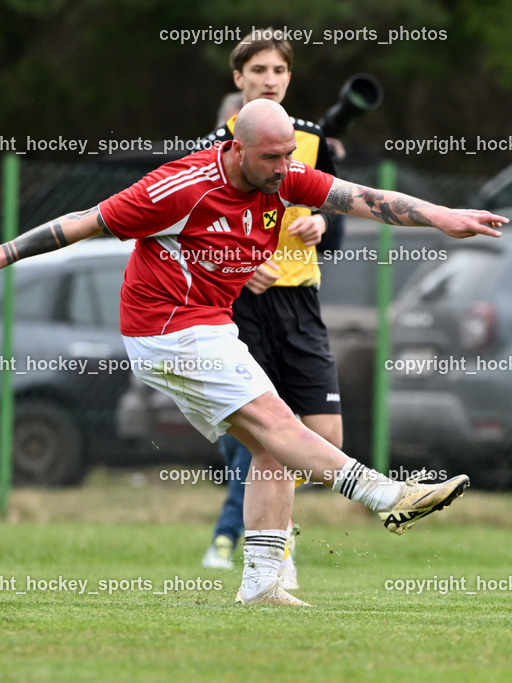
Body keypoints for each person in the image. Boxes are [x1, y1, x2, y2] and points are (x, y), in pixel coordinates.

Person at [0, 98, 506, 606]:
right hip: (167, 329)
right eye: (271, 157)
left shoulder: (283, 174)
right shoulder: (178, 187)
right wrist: (1, 254)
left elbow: (361, 198)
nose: (283, 167)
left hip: (208, 327)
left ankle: (262, 584)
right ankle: (387, 497)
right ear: (234, 147)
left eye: (289, 154)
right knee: (278, 423)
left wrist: (441, 216)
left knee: (271, 448)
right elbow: (82, 222)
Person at [197, 30, 345, 584]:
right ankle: (273, 556)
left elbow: (339, 226)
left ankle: (271, 531)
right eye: (258, 70)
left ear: (289, 77)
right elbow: (197, 229)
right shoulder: (217, 145)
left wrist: (323, 223)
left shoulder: (312, 139)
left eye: (279, 71)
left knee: (325, 438)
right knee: (269, 439)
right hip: (241, 306)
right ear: (239, 79)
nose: (269, 80)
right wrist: (239, 263)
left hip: (302, 304)